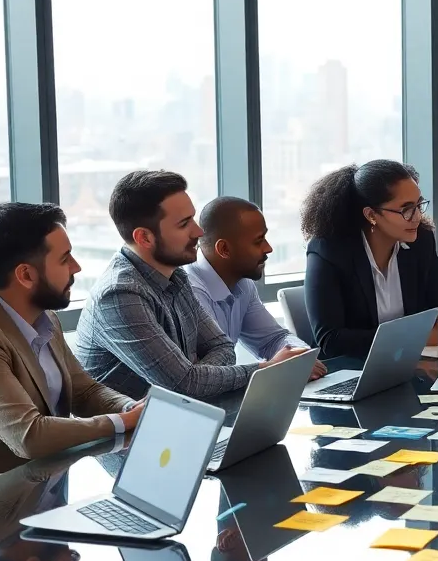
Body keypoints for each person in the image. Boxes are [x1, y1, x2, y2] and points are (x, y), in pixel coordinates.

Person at [0, 202, 144, 475]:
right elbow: (29, 437)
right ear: (26, 275)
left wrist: (131, 408)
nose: (76, 268)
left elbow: (84, 391)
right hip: (3, 503)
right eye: (64, 259)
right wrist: (123, 421)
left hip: (52, 479)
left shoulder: (42, 317)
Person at [76, 170, 299, 400]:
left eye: (193, 218)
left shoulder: (177, 276)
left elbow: (222, 348)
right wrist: (266, 370)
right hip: (131, 433)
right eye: (184, 224)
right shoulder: (119, 294)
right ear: (144, 238)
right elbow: (184, 385)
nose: (199, 231)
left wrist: (198, 375)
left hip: (177, 420)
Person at [301, 159, 438, 359]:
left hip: (406, 364)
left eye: (419, 205)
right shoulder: (328, 250)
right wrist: (417, 337)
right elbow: (331, 340)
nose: (417, 217)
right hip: (346, 371)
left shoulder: (421, 240)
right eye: (406, 209)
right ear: (371, 215)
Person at [187, 196, 326, 379]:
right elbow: (205, 378)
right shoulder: (190, 292)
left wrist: (298, 356)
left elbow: (272, 339)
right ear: (224, 249)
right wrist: (273, 368)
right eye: (258, 241)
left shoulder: (243, 283)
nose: (268, 249)